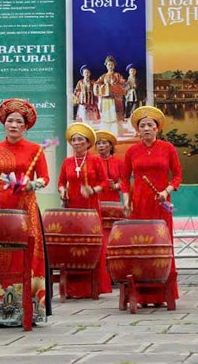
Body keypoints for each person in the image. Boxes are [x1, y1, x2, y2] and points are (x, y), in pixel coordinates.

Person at [0, 98, 50, 325]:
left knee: (28, 256)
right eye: (10, 121)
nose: (13, 125)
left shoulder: (35, 150)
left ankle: (30, 311)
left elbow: (45, 178)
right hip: (1, 212)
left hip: (27, 210)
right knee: (1, 259)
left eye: (18, 122)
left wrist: (32, 184)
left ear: (25, 126)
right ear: (4, 124)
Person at [121, 105, 182, 305]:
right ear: (138, 130)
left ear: (157, 128)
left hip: (161, 202)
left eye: (150, 125)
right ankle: (140, 293)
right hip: (139, 203)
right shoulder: (131, 151)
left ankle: (164, 293)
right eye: (142, 125)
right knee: (140, 245)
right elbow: (124, 179)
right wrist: (126, 198)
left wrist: (167, 190)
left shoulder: (168, 148)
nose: (146, 128)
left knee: (161, 244)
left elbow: (178, 176)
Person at [57, 122, 111, 297]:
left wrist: (93, 190)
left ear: (88, 143)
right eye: (73, 140)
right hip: (73, 207)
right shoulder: (67, 162)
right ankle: (74, 288)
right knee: (74, 245)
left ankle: (95, 286)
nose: (76, 142)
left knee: (93, 243)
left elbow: (104, 183)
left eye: (80, 139)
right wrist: (62, 191)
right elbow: (60, 183)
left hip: (91, 206)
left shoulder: (95, 160)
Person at [95, 55, 126, 133]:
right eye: (109, 64)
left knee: (115, 115)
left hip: (115, 99)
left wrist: (115, 86)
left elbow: (123, 84)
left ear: (114, 66)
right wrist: (106, 87)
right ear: (106, 66)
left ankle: (116, 131)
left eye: (112, 64)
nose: (110, 66)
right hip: (106, 100)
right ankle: (107, 130)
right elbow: (96, 84)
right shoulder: (104, 76)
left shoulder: (117, 75)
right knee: (107, 115)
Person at [95, 130, 123, 203]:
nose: (101, 145)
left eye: (104, 143)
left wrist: (115, 186)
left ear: (111, 146)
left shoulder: (119, 162)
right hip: (95, 199)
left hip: (114, 199)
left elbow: (124, 181)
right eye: (98, 143)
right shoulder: (92, 161)